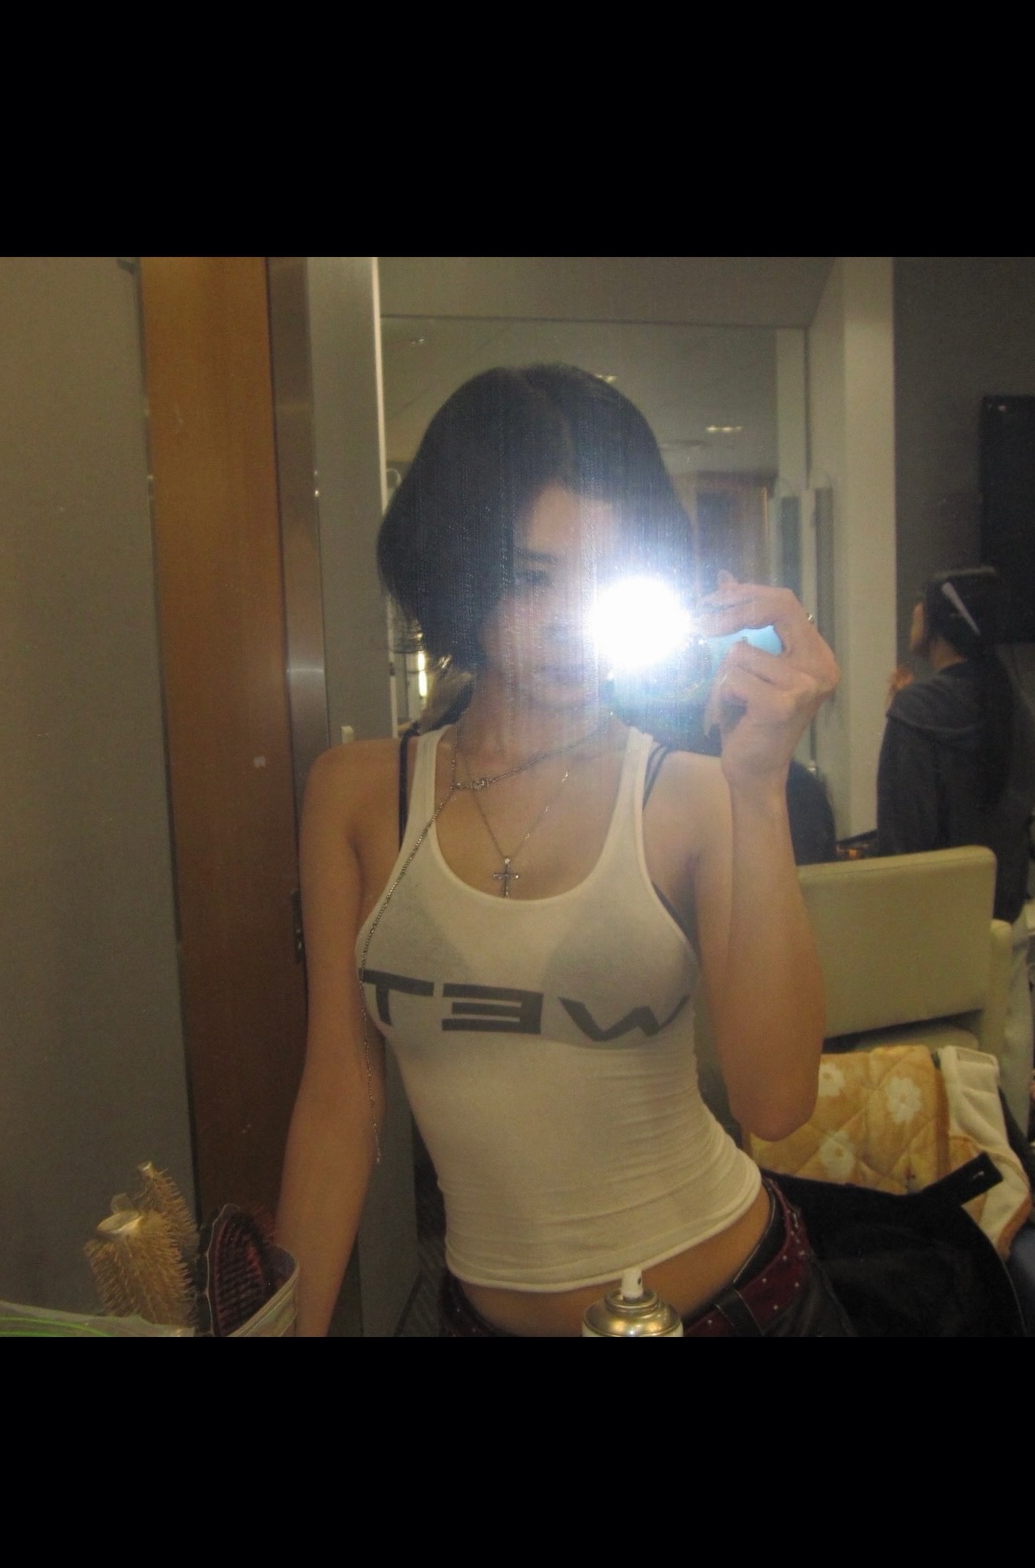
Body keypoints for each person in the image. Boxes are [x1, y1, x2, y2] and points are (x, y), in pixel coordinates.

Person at [274, 363, 848, 1336]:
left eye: (605, 579)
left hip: (732, 1309)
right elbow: (339, 1099)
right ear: (456, 568)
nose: (571, 624)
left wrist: (760, 787)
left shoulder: (693, 794)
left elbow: (778, 1100)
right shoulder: (356, 795)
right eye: (532, 577)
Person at [875, 566, 1035, 1125]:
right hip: (1005, 920)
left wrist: (902, 716)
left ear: (938, 622)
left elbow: (903, 847)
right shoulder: (1015, 709)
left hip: (932, 936)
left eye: (919, 603)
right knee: (1005, 1065)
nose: (912, 611)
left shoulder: (919, 711)